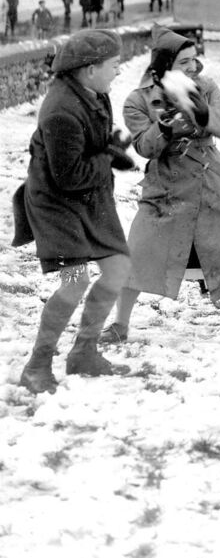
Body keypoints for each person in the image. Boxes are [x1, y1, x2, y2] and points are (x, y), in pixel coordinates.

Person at [99, 26, 220, 345]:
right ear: (164, 66)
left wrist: (203, 113)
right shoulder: (139, 99)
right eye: (184, 62)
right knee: (138, 252)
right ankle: (120, 325)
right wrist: (164, 128)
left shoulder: (206, 87)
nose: (192, 67)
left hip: (211, 180)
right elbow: (144, 148)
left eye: (194, 59)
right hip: (166, 186)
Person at [14, 29, 133, 393]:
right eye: (113, 65)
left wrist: (111, 145)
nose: (117, 71)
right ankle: (38, 364)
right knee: (76, 279)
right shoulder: (61, 110)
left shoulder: (95, 94)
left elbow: (92, 151)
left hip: (88, 197)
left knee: (118, 268)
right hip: (57, 202)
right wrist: (109, 156)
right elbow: (69, 176)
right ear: (89, 68)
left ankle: (84, 353)